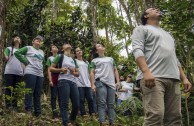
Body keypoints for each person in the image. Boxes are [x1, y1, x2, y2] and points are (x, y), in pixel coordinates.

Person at [132, 8, 192, 126]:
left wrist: (184, 78)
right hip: (153, 77)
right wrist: (146, 71)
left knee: (175, 117)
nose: (157, 10)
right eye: (153, 9)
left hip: (173, 78)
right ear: (146, 16)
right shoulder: (141, 29)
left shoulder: (168, 35)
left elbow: (174, 58)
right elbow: (137, 50)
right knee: (155, 115)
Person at [50, 43, 79, 126]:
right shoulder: (60, 56)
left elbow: (78, 74)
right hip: (63, 80)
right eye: (66, 44)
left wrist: (73, 72)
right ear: (63, 49)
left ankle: (72, 119)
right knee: (64, 103)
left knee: (76, 104)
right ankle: (65, 122)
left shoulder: (73, 59)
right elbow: (51, 68)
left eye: (69, 44)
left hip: (73, 82)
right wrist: (61, 70)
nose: (68, 45)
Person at [90, 43, 120, 126]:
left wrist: (118, 81)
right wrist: (92, 84)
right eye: (99, 46)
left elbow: (115, 70)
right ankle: (102, 122)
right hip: (100, 82)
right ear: (96, 51)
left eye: (102, 45)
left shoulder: (110, 59)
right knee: (102, 103)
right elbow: (92, 73)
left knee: (111, 103)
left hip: (111, 83)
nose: (101, 46)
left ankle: (112, 122)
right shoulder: (94, 61)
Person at [15, 35, 44, 117]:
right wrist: (25, 61)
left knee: (38, 93)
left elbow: (43, 62)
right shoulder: (28, 48)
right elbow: (17, 53)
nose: (39, 40)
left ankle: (38, 112)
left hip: (40, 74)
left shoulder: (42, 52)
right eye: (37, 39)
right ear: (33, 41)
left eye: (40, 40)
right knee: (29, 91)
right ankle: (29, 110)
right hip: (30, 71)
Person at [4, 35, 24, 111]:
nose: (17, 38)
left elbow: (23, 62)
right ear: (13, 40)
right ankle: (8, 106)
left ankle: (15, 106)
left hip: (19, 72)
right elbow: (6, 58)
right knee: (9, 88)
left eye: (19, 37)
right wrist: (4, 55)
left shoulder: (22, 51)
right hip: (9, 72)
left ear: (20, 41)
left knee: (16, 90)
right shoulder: (9, 48)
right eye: (15, 37)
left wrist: (24, 72)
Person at [74, 47, 95, 118]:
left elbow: (90, 73)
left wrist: (92, 83)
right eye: (77, 51)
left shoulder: (87, 62)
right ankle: (83, 114)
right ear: (75, 54)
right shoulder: (74, 61)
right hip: (79, 83)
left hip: (87, 83)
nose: (79, 51)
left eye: (80, 50)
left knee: (90, 99)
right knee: (81, 99)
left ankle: (92, 113)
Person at [46, 44, 60, 119]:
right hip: (54, 78)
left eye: (56, 47)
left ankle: (62, 111)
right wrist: (50, 80)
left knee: (61, 96)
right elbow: (49, 70)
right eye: (53, 47)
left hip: (61, 78)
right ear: (51, 50)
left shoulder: (61, 57)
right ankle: (54, 113)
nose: (55, 48)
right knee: (53, 96)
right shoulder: (50, 58)